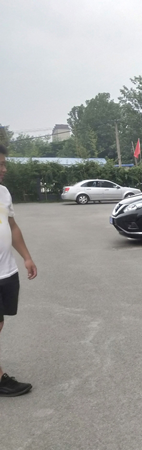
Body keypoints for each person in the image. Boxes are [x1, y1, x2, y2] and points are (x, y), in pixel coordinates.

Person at [0, 144, 38, 397]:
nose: (4, 169)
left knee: (0, 323)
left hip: (6, 271)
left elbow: (12, 227)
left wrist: (26, 257)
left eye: (4, 164)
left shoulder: (3, 193)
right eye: (0, 165)